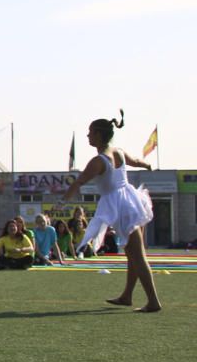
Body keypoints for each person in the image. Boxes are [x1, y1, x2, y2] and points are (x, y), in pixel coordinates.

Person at [63, 111, 161, 312]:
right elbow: (135, 161)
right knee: (132, 254)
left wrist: (63, 201)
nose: (88, 136)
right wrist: (148, 165)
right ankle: (127, 296)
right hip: (132, 201)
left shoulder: (98, 161)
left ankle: (153, 301)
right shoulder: (119, 152)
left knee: (137, 255)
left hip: (122, 207)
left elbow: (80, 181)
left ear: (98, 135)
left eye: (90, 133)